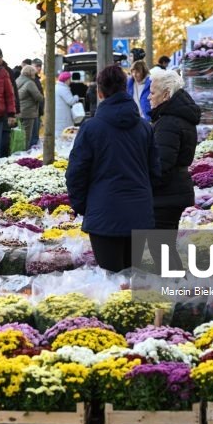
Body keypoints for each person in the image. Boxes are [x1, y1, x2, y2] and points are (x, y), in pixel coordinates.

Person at [65, 65, 160, 273]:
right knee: (138, 286)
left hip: (104, 215)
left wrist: (84, 207)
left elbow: (76, 174)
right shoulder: (145, 128)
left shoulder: (91, 128)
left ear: (100, 92)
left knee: (111, 288)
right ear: (126, 90)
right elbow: (155, 172)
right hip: (139, 214)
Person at [146, 68, 201, 271]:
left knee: (161, 250)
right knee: (163, 249)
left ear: (166, 94)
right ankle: (179, 293)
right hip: (174, 191)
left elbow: (162, 164)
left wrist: (146, 185)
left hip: (166, 195)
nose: (149, 97)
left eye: (153, 92)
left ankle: (180, 295)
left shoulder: (168, 122)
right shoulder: (175, 117)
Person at [0, 47, 20, 158]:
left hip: (5, 110)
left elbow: (14, 92)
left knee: (5, 139)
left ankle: (3, 159)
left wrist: (15, 110)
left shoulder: (8, 71)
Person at [16, 64, 43, 151]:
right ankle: (24, 154)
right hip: (28, 113)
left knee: (19, 135)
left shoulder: (17, 80)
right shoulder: (30, 83)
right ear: (30, 73)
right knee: (27, 136)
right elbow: (38, 97)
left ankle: (17, 151)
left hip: (19, 112)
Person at [54, 71, 79, 138]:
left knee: (59, 132)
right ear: (66, 80)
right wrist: (76, 97)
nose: (70, 81)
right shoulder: (63, 89)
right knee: (65, 133)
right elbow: (71, 101)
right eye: (70, 79)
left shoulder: (57, 87)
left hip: (58, 114)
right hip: (63, 116)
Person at [30, 58, 44, 147]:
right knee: (33, 138)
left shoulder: (37, 79)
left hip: (37, 112)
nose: (39, 68)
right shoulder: (32, 79)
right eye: (36, 66)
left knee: (35, 137)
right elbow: (38, 97)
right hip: (32, 112)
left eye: (40, 66)